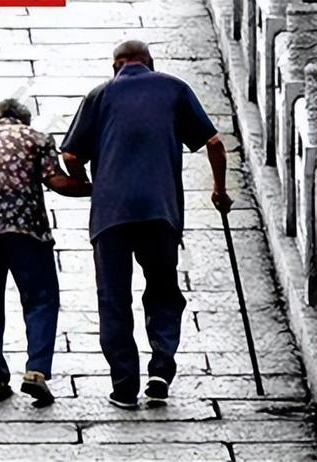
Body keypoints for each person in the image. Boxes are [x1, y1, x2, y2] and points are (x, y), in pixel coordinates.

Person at [60, 40, 234, 409]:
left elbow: (71, 155)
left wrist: (93, 185)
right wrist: (219, 190)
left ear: (115, 66)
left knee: (114, 299)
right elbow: (215, 143)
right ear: (150, 63)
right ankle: (161, 368)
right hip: (160, 212)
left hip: (111, 217)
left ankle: (125, 387)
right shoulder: (174, 88)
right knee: (163, 290)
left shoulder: (99, 95)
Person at [0, 98, 92, 407]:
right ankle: (36, 370)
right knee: (41, 300)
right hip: (27, 231)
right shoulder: (37, 139)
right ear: (25, 120)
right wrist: (95, 187)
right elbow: (57, 182)